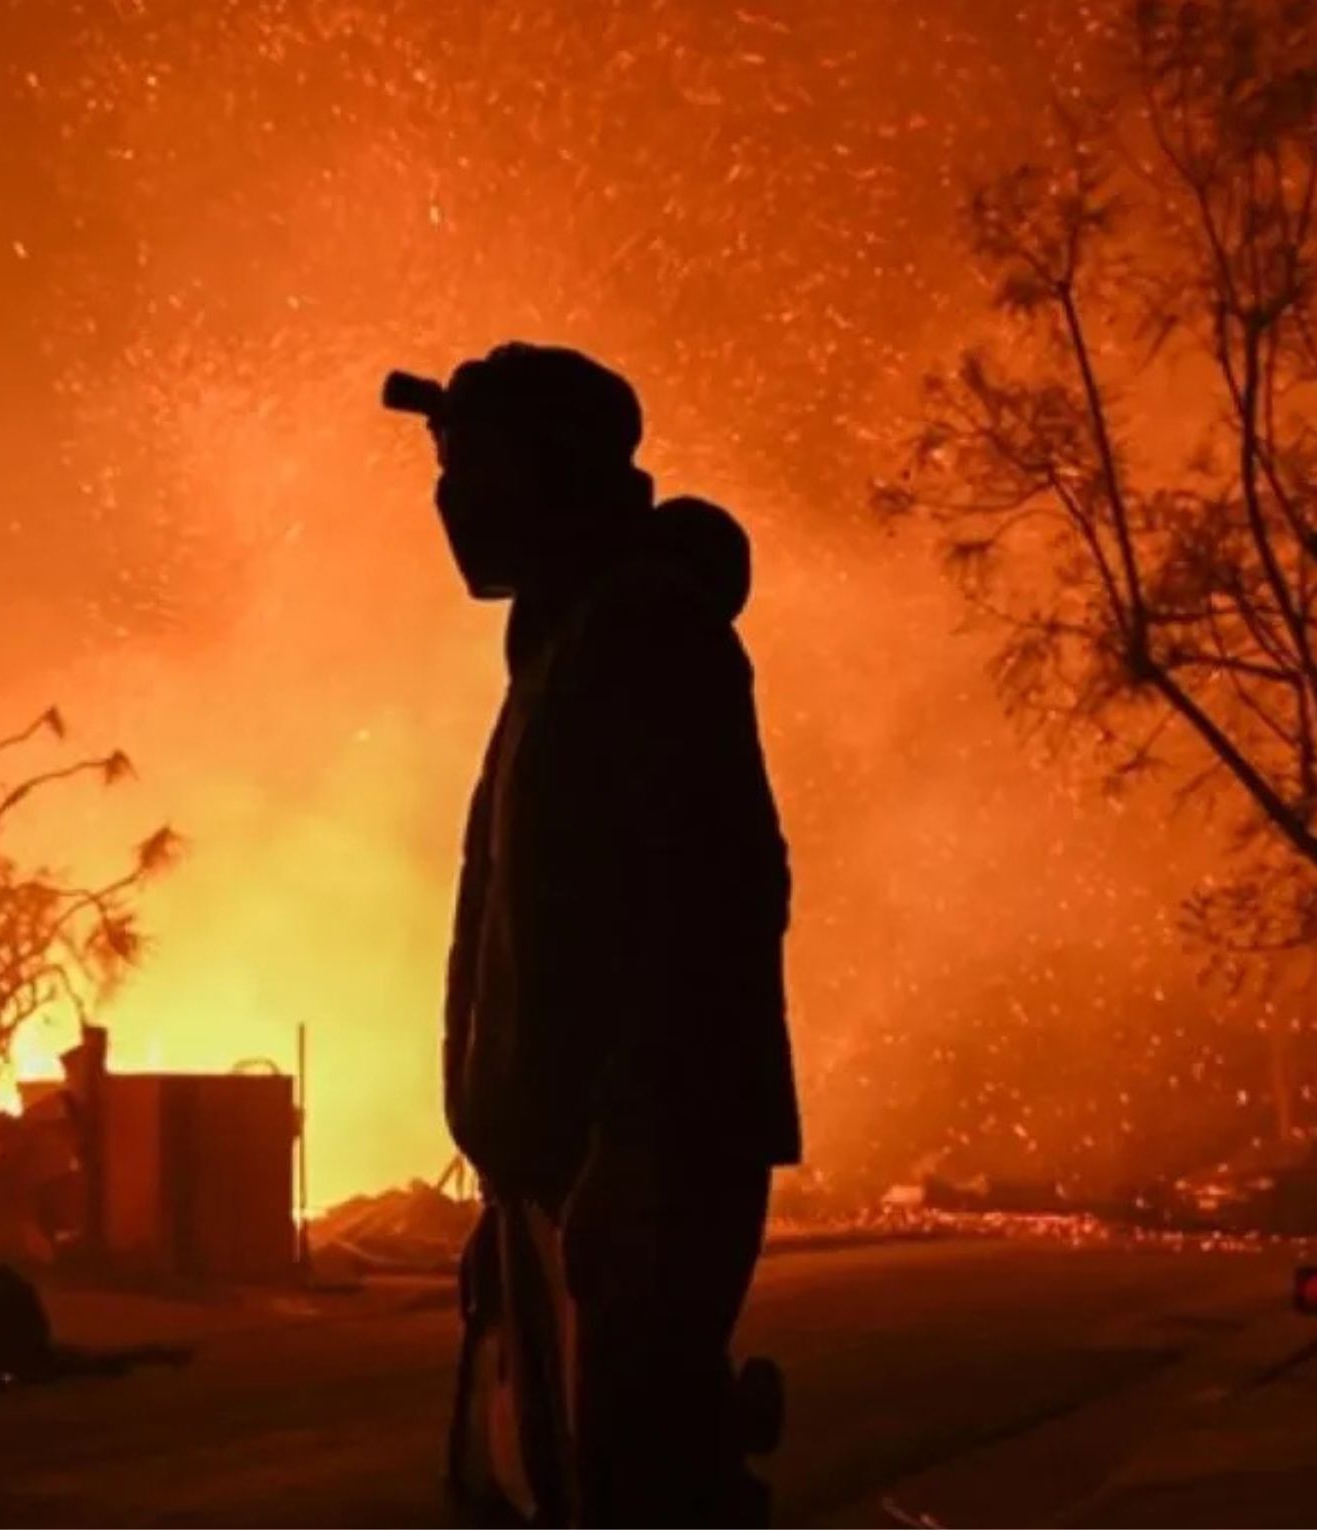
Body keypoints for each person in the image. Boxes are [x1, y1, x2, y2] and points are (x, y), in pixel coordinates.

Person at [392, 344, 801, 1526]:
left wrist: (631, 1139)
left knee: (641, 1492)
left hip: (639, 1161)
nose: (449, 501)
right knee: (571, 1490)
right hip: (568, 1168)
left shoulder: (644, 635)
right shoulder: (563, 645)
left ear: (554, 471)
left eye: (474, 466)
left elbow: (714, 901)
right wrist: (506, 1182)